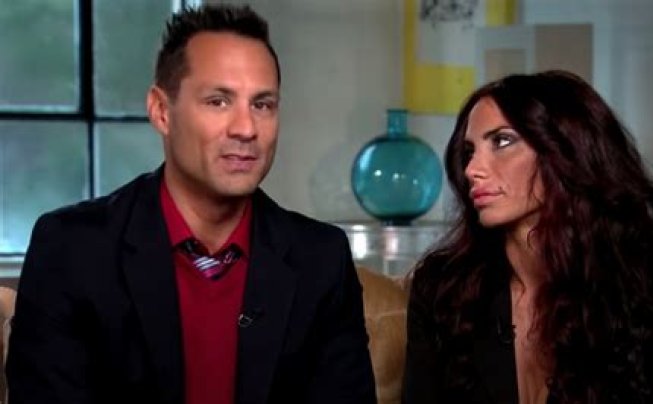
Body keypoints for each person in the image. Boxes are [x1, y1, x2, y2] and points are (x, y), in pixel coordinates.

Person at [7, 4, 376, 404]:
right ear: (161, 111)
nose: (246, 129)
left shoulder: (321, 261)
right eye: (218, 101)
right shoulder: (71, 251)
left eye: (262, 105)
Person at [402, 70, 653, 404]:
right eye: (469, 151)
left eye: (502, 141)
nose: (472, 169)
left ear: (564, 151)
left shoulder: (646, 279)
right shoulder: (442, 287)